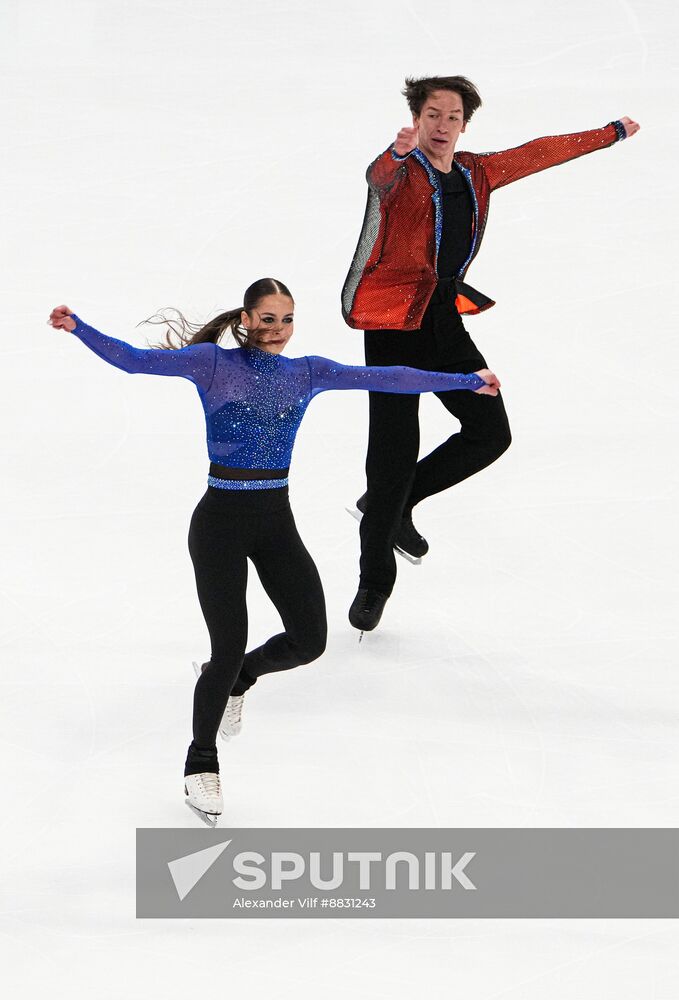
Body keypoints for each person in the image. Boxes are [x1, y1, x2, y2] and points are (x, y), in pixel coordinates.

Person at [48, 277, 500, 825]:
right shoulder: (211, 364)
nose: (278, 330)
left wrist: (464, 381)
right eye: (268, 319)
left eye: (287, 320)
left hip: (274, 522)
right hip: (219, 524)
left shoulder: (305, 372)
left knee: (310, 641)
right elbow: (135, 361)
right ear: (246, 319)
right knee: (227, 644)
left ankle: (241, 678)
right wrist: (78, 327)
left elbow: (387, 376)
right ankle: (201, 761)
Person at [342, 75, 640, 633]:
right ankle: (374, 581)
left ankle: (393, 503)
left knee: (489, 432)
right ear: (417, 118)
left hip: (442, 317)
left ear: (464, 125)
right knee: (392, 452)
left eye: (452, 116)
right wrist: (394, 154)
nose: (442, 125)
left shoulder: (476, 172)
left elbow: (537, 153)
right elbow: (377, 178)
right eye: (433, 114)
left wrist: (608, 133)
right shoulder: (402, 171)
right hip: (391, 323)